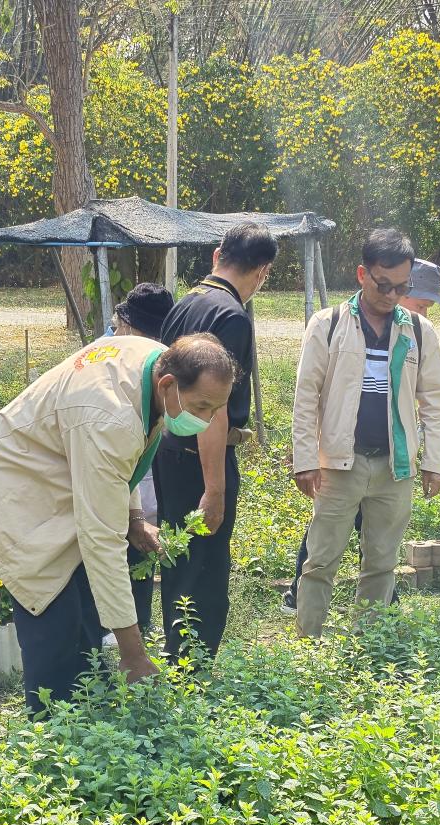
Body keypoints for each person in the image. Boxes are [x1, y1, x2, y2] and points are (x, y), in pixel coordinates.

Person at [0, 334, 237, 716]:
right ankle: (52, 734)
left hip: (60, 470)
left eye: (215, 410)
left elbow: (124, 461)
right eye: (201, 406)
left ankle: (88, 714)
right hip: (12, 483)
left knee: (86, 605)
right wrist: (133, 652)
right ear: (168, 384)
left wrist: (134, 517)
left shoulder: (153, 362)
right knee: (53, 612)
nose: (204, 421)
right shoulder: (109, 416)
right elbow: (101, 538)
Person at [292, 230, 440, 639]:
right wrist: (306, 460)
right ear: (362, 274)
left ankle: (369, 645)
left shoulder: (417, 330)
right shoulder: (328, 325)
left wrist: (434, 462)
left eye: (402, 287)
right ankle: (308, 642)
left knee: (381, 561)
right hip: (339, 466)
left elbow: (434, 400)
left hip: (395, 468)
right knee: (320, 560)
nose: (393, 295)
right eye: (384, 285)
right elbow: (306, 396)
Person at [154, 223, 276, 660]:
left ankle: (174, 652)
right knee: (203, 566)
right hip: (201, 457)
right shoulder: (231, 316)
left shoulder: (185, 303)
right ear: (262, 271)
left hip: (167, 450)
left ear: (216, 255)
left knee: (177, 558)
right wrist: (216, 488)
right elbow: (214, 409)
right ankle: (191, 667)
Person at [108, 283, 174, 634]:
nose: (115, 331)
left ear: (130, 325)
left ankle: (128, 628)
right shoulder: (167, 362)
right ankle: (138, 624)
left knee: (131, 540)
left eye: (118, 323)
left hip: (134, 473)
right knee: (142, 537)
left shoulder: (132, 363)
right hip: (144, 474)